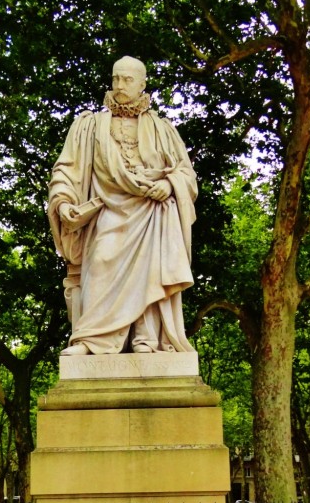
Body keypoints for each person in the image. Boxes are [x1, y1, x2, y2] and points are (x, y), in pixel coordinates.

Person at [47, 56, 198, 355]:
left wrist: (169, 185)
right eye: (116, 79)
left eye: (127, 80)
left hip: (153, 213)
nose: (119, 86)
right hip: (108, 210)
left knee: (153, 271)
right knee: (101, 262)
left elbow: (186, 173)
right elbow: (66, 169)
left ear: (142, 84)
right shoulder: (89, 126)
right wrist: (63, 202)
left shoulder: (162, 129)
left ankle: (146, 339)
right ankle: (93, 340)